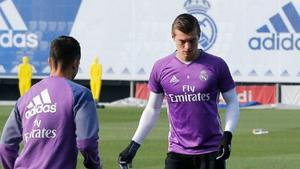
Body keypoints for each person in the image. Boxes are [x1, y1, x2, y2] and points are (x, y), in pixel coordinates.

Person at [118, 13, 240, 169]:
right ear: (173, 37)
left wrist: (228, 135)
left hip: (211, 151)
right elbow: (152, 109)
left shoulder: (217, 65)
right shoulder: (161, 68)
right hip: (177, 152)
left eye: (192, 41)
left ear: (199, 36)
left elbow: (232, 101)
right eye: (182, 41)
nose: (187, 47)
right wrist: (134, 145)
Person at [0, 36, 102, 169]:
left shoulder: (25, 98)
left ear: (49, 62)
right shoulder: (81, 95)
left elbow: (6, 145)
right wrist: (95, 166)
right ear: (76, 63)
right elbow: (86, 143)